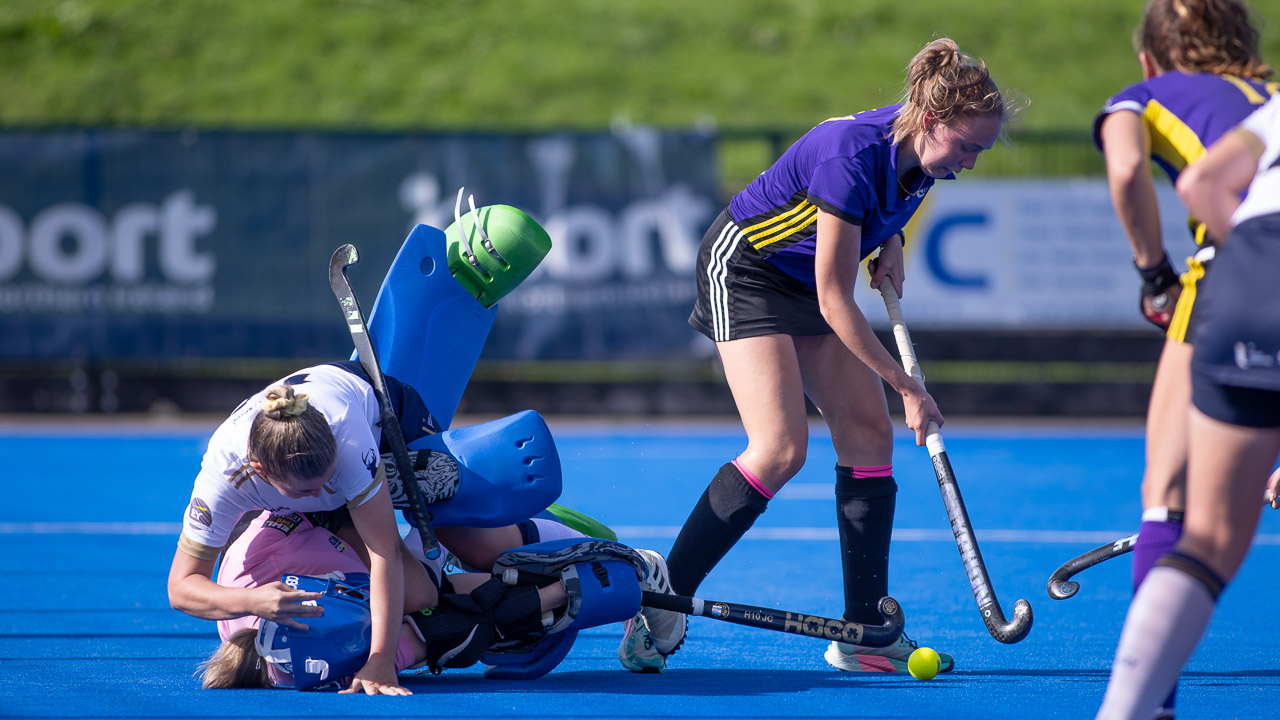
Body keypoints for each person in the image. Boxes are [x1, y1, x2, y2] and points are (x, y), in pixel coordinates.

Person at [617, 37, 1021, 674]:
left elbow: (885, 204)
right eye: (967, 147)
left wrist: (892, 241)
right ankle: (662, 602)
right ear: (932, 121)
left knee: (868, 439)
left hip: (806, 276)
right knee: (780, 449)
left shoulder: (925, 155)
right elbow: (837, 301)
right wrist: (907, 387)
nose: (971, 162)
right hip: (747, 272)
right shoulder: (849, 154)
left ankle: (864, 632)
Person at [1091, 1, 1274, 714]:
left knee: (1168, 500)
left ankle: (1148, 703)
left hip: (1238, 276)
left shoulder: (1142, 93)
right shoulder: (1274, 98)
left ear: (1149, 58)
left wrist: (1154, 273)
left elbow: (1128, 167)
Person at [167, 361, 545, 694]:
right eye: (309, 490)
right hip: (304, 508)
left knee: (465, 540)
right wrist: (253, 601)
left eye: (326, 480)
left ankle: (529, 532)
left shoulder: (347, 439)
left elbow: (384, 552)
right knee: (418, 596)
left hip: (379, 421)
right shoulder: (223, 480)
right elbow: (181, 588)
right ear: (262, 473)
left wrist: (381, 659)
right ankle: (399, 519)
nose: (322, 491)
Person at [198, 508, 594, 689]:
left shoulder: (300, 552)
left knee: (447, 526)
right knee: (444, 623)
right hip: (304, 553)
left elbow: (409, 587)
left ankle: (528, 528)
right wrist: (553, 595)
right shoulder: (332, 660)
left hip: (312, 516)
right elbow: (443, 623)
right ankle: (544, 554)